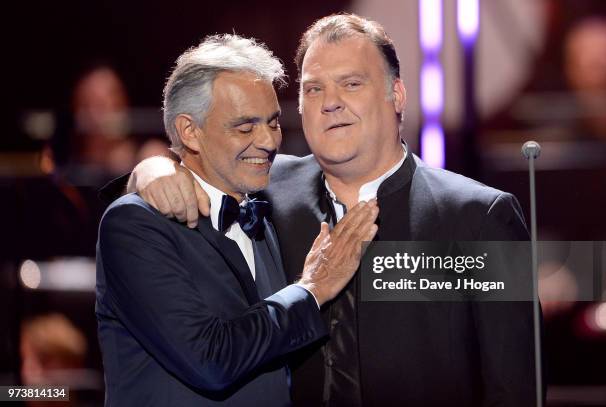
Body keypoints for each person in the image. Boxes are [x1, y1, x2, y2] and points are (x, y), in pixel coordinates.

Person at [115, 14, 538, 406]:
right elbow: (196, 166)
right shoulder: (262, 188)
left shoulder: (480, 216)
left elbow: (515, 386)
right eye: (313, 88)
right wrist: (152, 170)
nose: (330, 102)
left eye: (351, 83)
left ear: (397, 93)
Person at [96, 34, 379, 406]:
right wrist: (311, 288)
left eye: (273, 123)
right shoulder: (137, 224)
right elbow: (210, 360)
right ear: (189, 131)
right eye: (245, 127)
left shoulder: (265, 207)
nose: (267, 141)